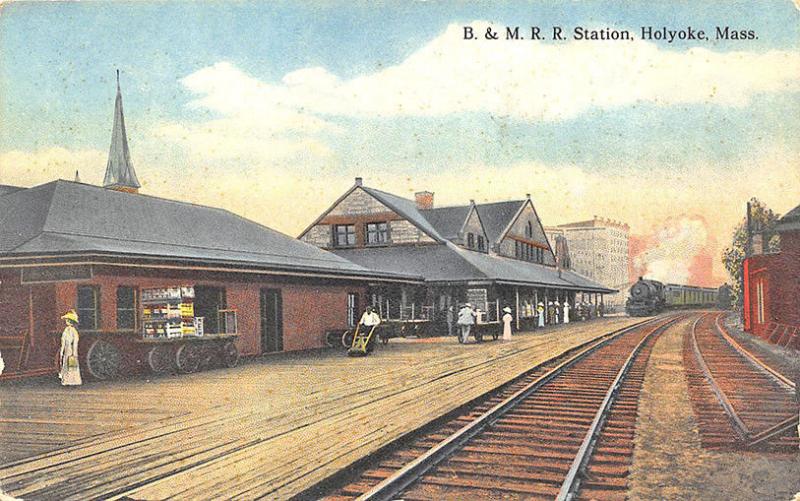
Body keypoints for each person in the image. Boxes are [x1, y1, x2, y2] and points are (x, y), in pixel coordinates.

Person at [59, 310, 82, 386]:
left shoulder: (73, 331)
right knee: (66, 364)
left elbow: (75, 341)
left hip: (71, 349)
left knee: (72, 365)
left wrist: (74, 351)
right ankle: (66, 380)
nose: (66, 322)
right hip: (67, 348)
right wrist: (62, 350)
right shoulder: (66, 330)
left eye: (68, 320)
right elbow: (63, 341)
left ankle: (73, 381)